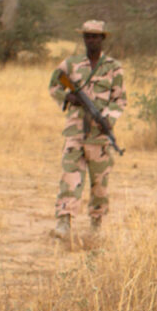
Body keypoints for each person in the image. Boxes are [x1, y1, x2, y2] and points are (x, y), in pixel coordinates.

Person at [48, 20, 127, 237]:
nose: (91, 40)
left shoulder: (113, 67)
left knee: (100, 183)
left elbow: (120, 99)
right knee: (69, 177)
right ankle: (64, 221)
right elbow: (54, 86)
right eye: (87, 36)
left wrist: (108, 119)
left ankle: (96, 224)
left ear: (102, 39)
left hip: (99, 136)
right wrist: (68, 97)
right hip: (74, 132)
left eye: (95, 36)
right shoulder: (71, 64)